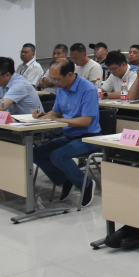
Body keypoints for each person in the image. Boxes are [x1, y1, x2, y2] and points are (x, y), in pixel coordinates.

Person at [31, 60, 100, 206]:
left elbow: (85, 121)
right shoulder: (62, 88)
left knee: (58, 156)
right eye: (52, 79)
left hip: (88, 138)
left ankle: (86, 184)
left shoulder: (88, 89)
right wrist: (44, 115)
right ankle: (66, 179)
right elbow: (55, 112)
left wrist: (58, 120)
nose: (54, 83)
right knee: (36, 153)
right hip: (68, 136)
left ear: (69, 74)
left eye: (57, 79)